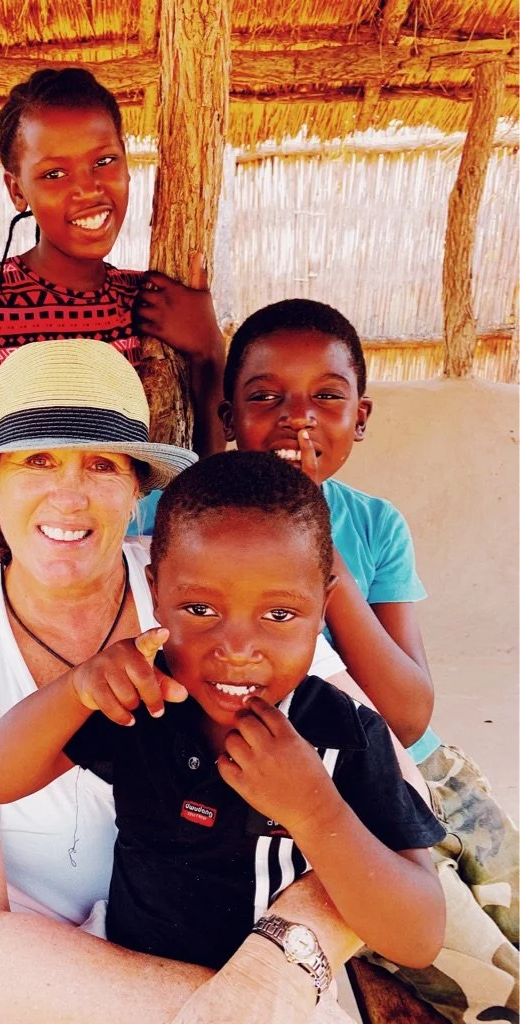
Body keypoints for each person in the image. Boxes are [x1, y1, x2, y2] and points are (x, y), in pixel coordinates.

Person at [0, 338, 392, 1024]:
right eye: (37, 460)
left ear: (135, 489)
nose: (70, 492)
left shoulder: (209, 592)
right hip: (34, 995)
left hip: (249, 964)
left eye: (100, 463)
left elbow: (385, 797)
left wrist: (285, 953)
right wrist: (242, 1010)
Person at [0, 448, 446, 979]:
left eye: (279, 613)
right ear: (155, 591)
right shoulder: (145, 702)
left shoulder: (344, 736)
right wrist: (76, 689)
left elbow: (419, 936)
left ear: (323, 604)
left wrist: (317, 812)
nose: (239, 647)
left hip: (271, 1002)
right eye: (201, 610)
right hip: (124, 985)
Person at [218, 299, 519, 1023]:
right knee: (493, 981)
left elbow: (410, 710)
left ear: (361, 416)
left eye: (327, 396)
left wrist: (322, 555)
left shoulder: (375, 525)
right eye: (266, 397)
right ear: (227, 416)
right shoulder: (191, 517)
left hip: (429, 774)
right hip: (334, 786)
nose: (298, 417)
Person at [0, 66, 225, 575]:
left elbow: (201, 458)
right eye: (53, 173)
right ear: (16, 190)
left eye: (104, 161)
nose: (86, 189)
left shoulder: (150, 302)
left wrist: (209, 351)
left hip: (101, 559)